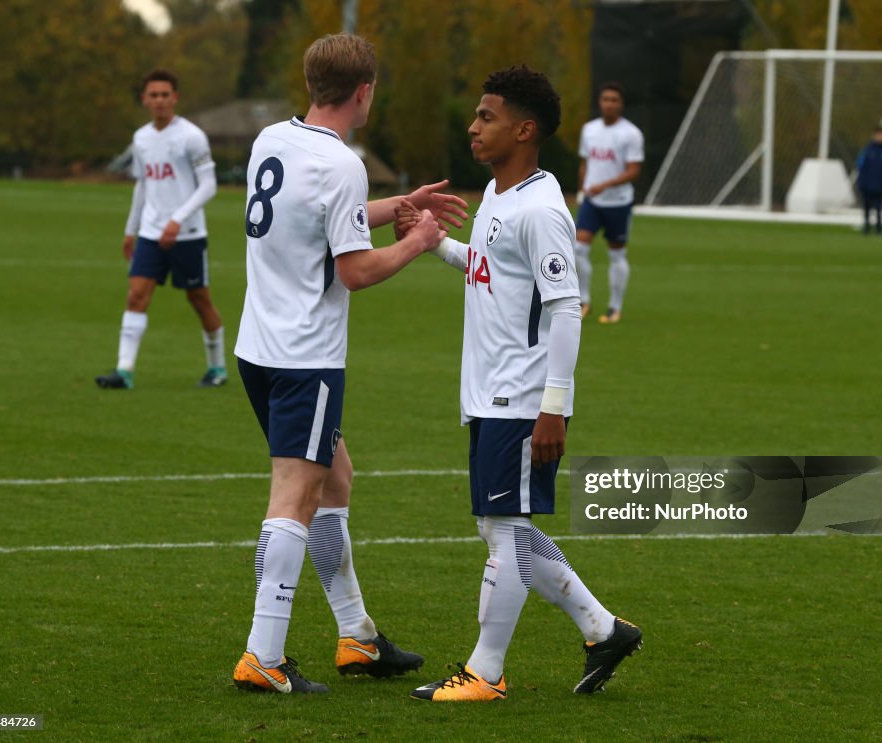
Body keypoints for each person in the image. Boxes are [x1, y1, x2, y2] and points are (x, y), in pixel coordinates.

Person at [231, 33, 469, 695]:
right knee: (296, 495)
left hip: (258, 346)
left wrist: (398, 206)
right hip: (305, 356)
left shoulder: (274, 141)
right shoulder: (344, 163)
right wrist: (419, 241)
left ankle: (357, 636)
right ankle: (263, 653)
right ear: (365, 91)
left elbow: (313, 220)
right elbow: (355, 269)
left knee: (334, 478)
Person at [400, 66, 641, 702]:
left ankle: (486, 671)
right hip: (489, 391)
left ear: (524, 129)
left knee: (503, 530)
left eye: (487, 116)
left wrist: (552, 408)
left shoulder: (541, 209)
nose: (473, 126)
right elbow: (491, 271)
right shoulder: (499, 195)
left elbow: (565, 307)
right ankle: (603, 627)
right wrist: (435, 244)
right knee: (498, 526)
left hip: (521, 396)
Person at [96, 69, 227, 390]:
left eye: (165, 94)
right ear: (144, 100)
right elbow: (143, 185)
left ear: (175, 98)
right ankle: (124, 372)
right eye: (153, 95)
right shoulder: (141, 138)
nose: (159, 101)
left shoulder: (192, 137)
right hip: (151, 234)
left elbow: (209, 185)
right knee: (136, 296)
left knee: (199, 300)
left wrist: (177, 219)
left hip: (188, 234)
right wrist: (131, 229)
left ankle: (217, 368)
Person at [574, 82, 643, 324]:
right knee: (578, 249)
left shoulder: (631, 134)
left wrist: (605, 185)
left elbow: (634, 171)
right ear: (600, 102)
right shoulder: (589, 130)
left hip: (618, 203)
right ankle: (584, 301)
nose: (609, 104)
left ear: (621, 104)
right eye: (605, 99)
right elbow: (585, 162)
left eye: (614, 99)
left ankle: (615, 307)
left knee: (617, 255)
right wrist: (583, 186)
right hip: (592, 202)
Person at [856, 126, 882, 235]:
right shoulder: (868, 150)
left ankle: (879, 228)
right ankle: (866, 227)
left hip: (881, 185)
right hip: (867, 184)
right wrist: (861, 182)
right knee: (867, 207)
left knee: (879, 207)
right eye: (880, 135)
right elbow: (861, 166)